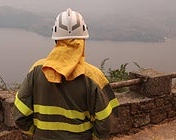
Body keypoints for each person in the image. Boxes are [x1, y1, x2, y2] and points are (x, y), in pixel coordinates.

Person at [13, 8, 119, 140]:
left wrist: (36, 133)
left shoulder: (38, 70)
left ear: (56, 40)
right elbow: (105, 123)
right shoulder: (93, 76)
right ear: (82, 41)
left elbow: (20, 115)